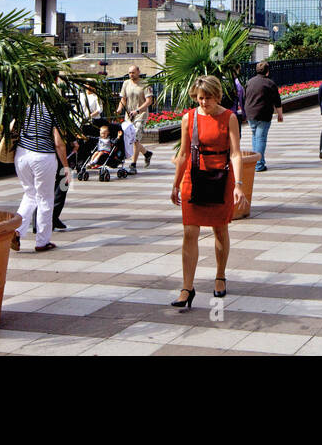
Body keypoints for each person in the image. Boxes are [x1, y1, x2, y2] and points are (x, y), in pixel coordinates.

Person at [170, 75, 247, 309]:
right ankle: (187, 288)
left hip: (221, 178)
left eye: (209, 98)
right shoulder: (189, 118)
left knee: (220, 229)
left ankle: (220, 275)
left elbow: (235, 153)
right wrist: (175, 184)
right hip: (193, 177)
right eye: (200, 98)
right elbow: (183, 154)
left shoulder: (229, 117)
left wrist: (239, 185)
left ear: (218, 96)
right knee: (189, 232)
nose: (204, 103)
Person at [14, 79, 72, 252]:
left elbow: (12, 128)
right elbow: (58, 142)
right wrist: (66, 167)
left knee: (29, 194)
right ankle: (42, 241)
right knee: (45, 198)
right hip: (43, 156)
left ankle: (16, 230)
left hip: (22, 154)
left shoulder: (24, 107)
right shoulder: (53, 109)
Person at [243, 60, 284, 172]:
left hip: (250, 113)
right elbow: (277, 101)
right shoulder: (270, 83)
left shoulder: (249, 82)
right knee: (261, 138)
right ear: (267, 71)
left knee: (255, 136)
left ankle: (256, 161)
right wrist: (280, 115)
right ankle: (259, 164)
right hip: (263, 114)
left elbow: (244, 97)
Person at [115, 66, 153, 171]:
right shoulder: (126, 83)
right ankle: (146, 153)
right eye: (129, 73)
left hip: (141, 115)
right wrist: (119, 108)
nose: (131, 75)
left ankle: (133, 164)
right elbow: (123, 99)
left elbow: (149, 101)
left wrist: (138, 110)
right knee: (130, 139)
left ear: (138, 72)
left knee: (135, 138)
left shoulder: (145, 84)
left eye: (133, 72)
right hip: (129, 115)